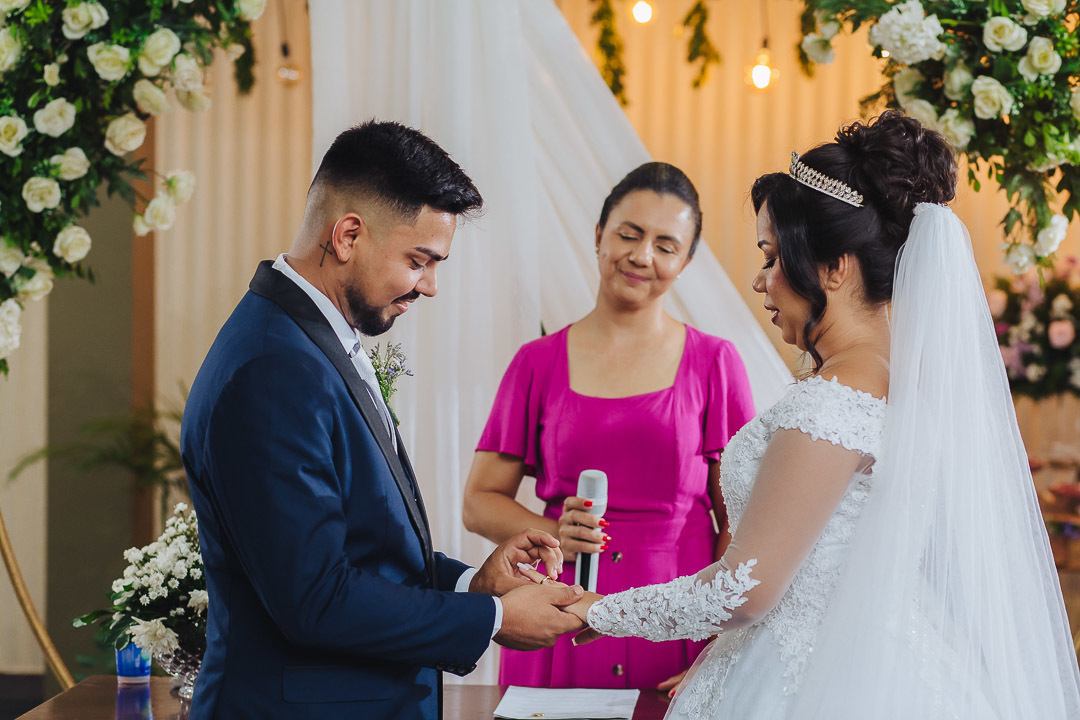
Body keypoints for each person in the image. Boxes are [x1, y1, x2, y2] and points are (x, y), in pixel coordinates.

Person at [540, 112, 1080, 718]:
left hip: (809, 682)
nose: (761, 280)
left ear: (834, 266)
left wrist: (599, 611)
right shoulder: (903, 385)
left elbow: (746, 587)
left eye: (773, 258)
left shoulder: (834, 401)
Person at [180, 120, 585, 720]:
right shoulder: (273, 367)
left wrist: (476, 583)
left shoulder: (305, 342)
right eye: (419, 260)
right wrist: (494, 619)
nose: (430, 286)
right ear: (348, 235)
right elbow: (316, 598)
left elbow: (363, 552)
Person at [462, 162, 755, 691]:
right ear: (600, 235)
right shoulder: (536, 362)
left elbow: (738, 516)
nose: (643, 256)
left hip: (676, 620)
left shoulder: (715, 362)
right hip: (558, 609)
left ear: (686, 261)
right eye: (629, 234)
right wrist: (557, 533)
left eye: (666, 245)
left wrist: (722, 643)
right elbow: (479, 501)